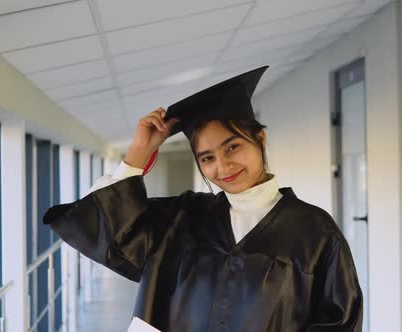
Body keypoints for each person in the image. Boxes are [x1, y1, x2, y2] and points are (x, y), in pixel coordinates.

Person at [43, 66, 363, 332]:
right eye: (207, 157)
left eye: (232, 147)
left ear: (260, 139)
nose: (223, 166)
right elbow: (108, 231)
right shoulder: (182, 218)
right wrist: (139, 152)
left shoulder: (314, 231)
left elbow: (340, 322)